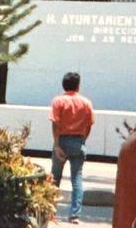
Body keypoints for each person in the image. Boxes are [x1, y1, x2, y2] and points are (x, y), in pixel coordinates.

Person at [50, 71, 94, 224]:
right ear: (78, 85)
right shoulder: (86, 103)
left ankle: (50, 211)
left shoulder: (58, 101)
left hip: (61, 140)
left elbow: (55, 123)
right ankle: (74, 214)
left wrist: (57, 145)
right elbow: (89, 125)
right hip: (78, 142)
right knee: (77, 178)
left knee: (54, 178)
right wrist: (83, 140)